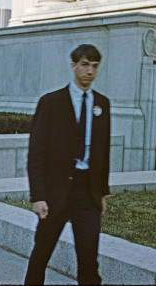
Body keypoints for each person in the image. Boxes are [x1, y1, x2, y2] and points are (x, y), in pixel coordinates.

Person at [25, 44, 110, 285]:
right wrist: (38, 196)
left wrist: (101, 192)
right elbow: (36, 153)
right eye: (84, 65)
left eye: (94, 66)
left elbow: (102, 152)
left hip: (87, 194)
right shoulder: (51, 102)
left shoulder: (102, 104)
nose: (89, 72)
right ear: (73, 66)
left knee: (89, 260)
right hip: (55, 192)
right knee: (41, 254)